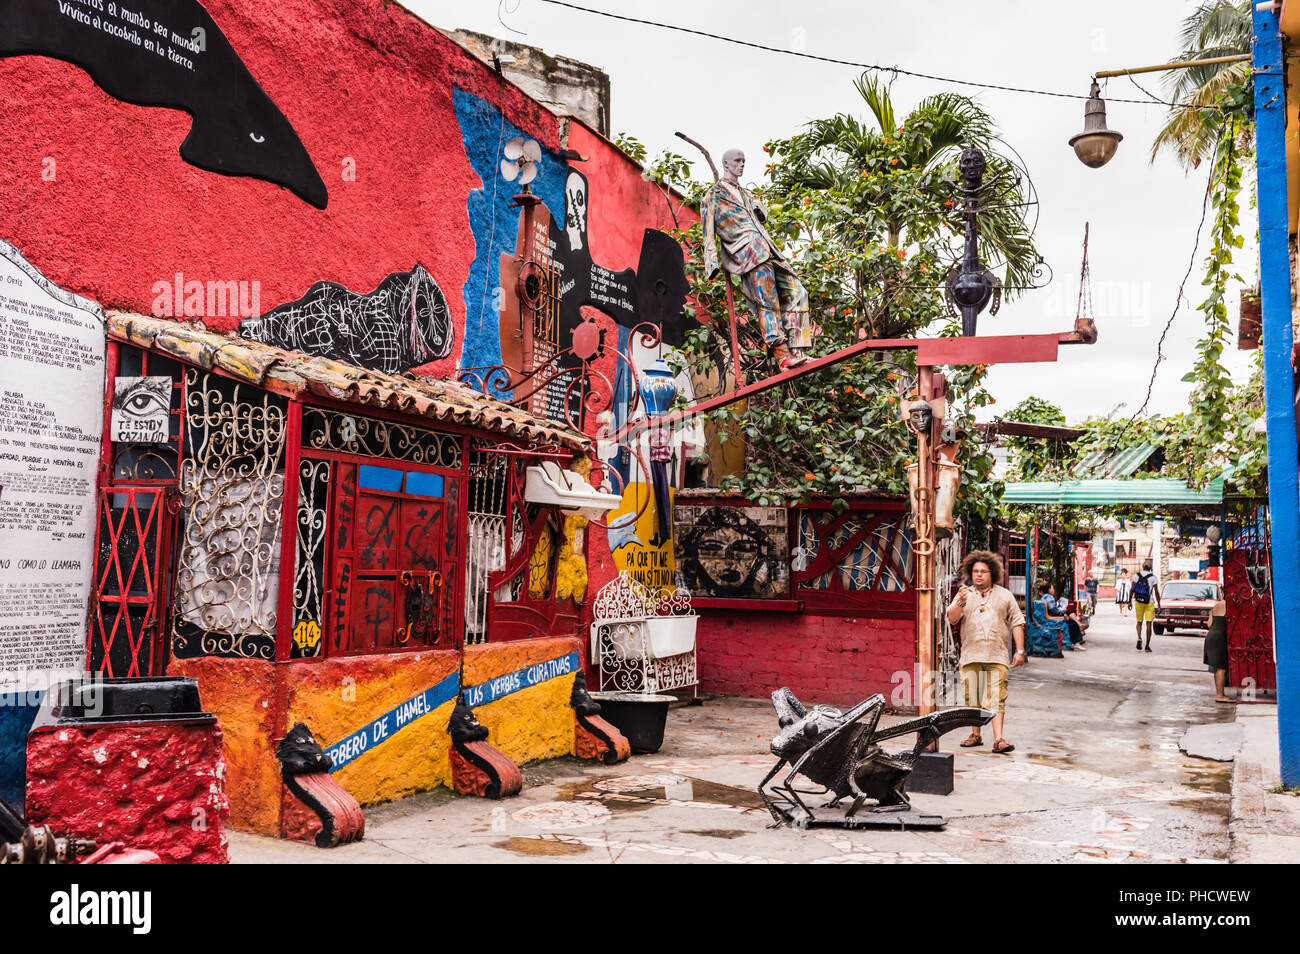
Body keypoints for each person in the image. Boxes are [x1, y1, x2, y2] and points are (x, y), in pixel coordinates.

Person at [702, 148, 809, 371]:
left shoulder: (748, 194)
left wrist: (759, 208)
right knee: (767, 301)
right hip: (747, 253)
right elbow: (708, 233)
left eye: (744, 160)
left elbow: (763, 218)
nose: (741, 165)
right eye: (737, 161)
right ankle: (782, 355)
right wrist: (711, 264)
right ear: (725, 164)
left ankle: (799, 351)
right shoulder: (712, 196)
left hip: (769, 250)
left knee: (798, 291)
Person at [946, 550, 1027, 754]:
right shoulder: (965, 594)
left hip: (997, 655)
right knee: (972, 697)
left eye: (983, 571)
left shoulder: (1004, 595)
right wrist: (961, 601)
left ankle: (999, 739)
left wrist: (1020, 650)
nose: (979, 575)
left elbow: (1017, 622)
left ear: (992, 573)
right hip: (971, 654)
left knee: (996, 696)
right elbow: (952, 618)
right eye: (975, 571)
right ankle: (975, 734)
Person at [1043, 581, 1085, 650]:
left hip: (1053, 614)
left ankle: (1078, 633)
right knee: (1072, 623)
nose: (1053, 590)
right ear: (1049, 589)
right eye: (1052, 588)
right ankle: (1076, 642)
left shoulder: (1046, 597)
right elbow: (1053, 608)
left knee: (1071, 616)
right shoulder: (1048, 597)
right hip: (1054, 616)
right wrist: (1062, 613)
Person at [1204, 598, 1231, 703]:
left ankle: (1219, 693)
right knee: (1222, 668)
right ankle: (1220, 695)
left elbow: (1209, 624)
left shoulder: (1216, 606)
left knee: (1217, 668)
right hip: (1220, 637)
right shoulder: (1230, 606)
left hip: (1211, 636)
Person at [1132, 559, 1161, 652]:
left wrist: (1129, 601)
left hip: (1139, 601)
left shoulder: (1136, 576)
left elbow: (1132, 589)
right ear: (1150, 568)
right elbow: (1156, 592)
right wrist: (1159, 605)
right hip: (1149, 602)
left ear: (1142, 567)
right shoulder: (1153, 577)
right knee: (1149, 623)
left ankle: (1139, 637)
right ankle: (1147, 646)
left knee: (1139, 622)